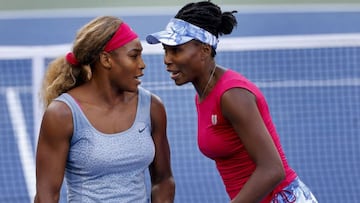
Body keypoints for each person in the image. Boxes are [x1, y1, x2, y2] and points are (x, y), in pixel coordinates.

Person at [146, 1, 317, 203]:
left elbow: (273, 170)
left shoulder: (232, 95)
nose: (167, 59)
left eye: (176, 50)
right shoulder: (203, 95)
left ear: (204, 50)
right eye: (166, 50)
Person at [34, 16, 175, 203]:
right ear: (106, 60)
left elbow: (163, 180)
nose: (142, 64)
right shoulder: (62, 114)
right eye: (134, 56)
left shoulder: (152, 107)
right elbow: (47, 196)